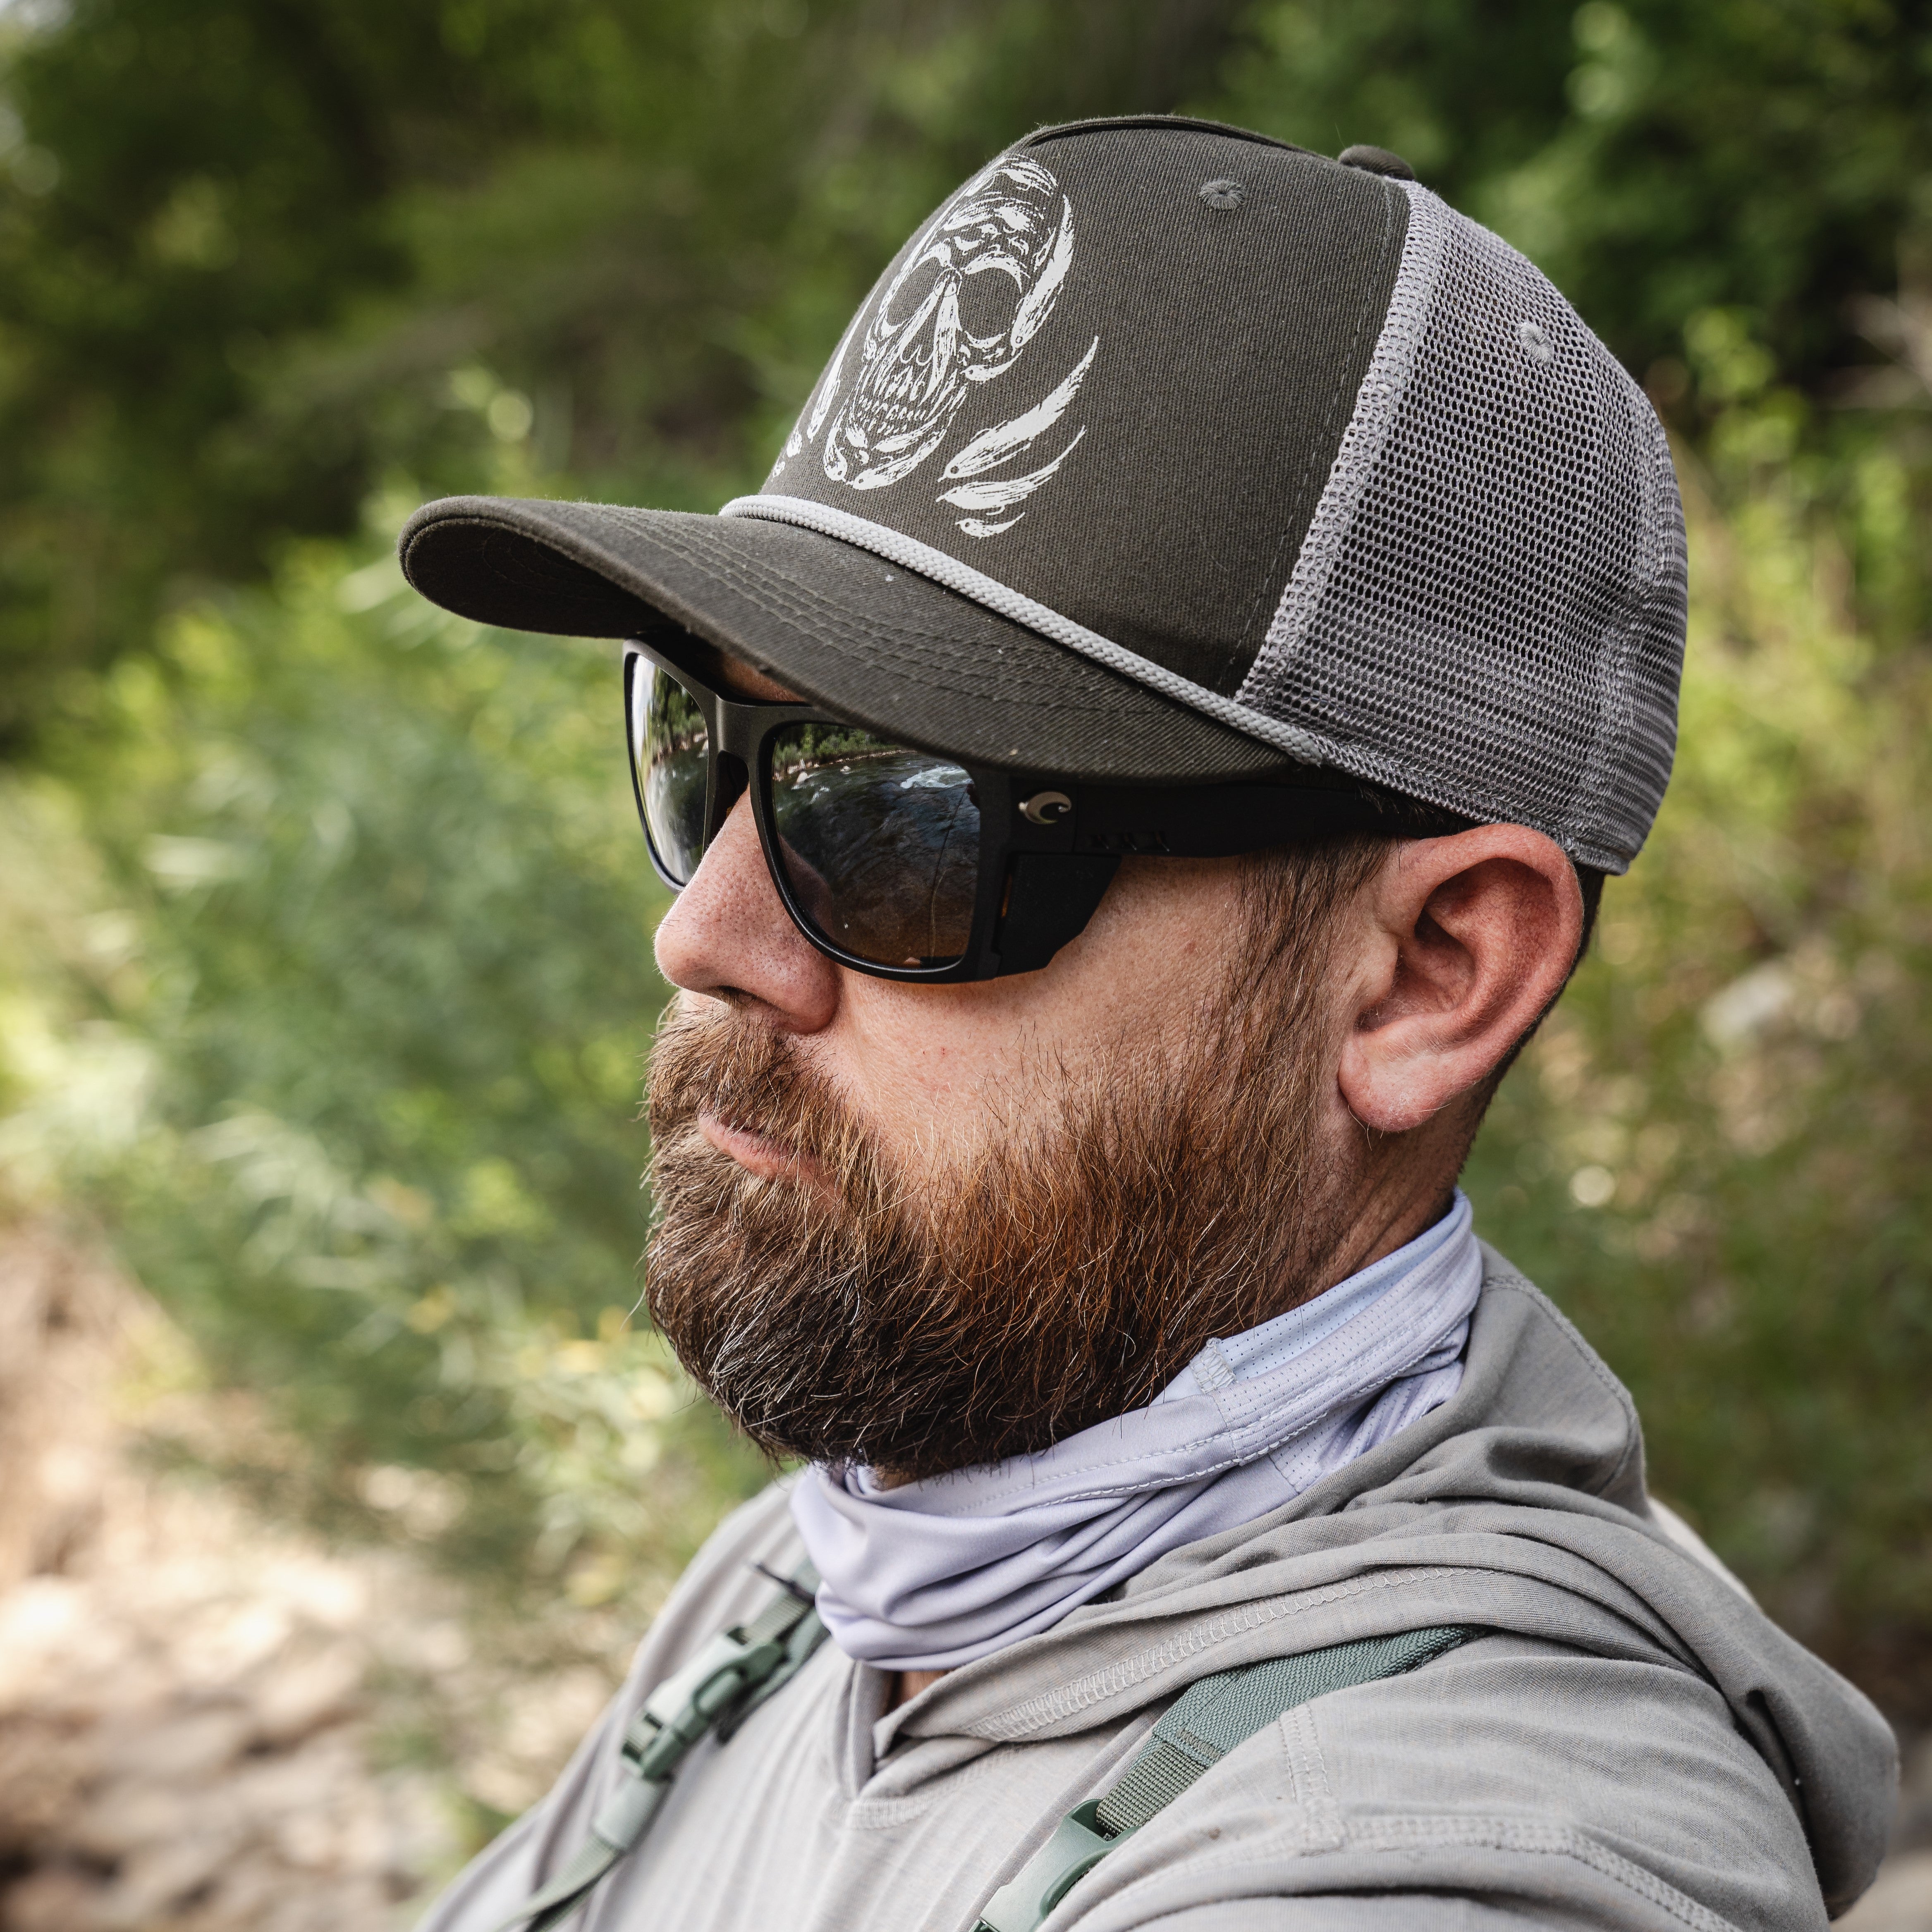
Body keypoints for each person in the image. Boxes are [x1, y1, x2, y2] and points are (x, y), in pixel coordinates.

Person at [397, 119, 1895, 1932]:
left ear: (1433, 975)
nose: (703, 934)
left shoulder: (1465, 1845)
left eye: (898, 810)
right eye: (697, 749)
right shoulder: (808, 1597)